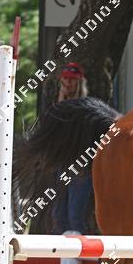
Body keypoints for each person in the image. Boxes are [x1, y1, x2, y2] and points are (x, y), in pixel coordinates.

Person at [53, 62, 94, 234]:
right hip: (62, 163)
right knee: (58, 215)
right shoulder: (58, 105)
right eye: (65, 79)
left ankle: (81, 249)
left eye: (72, 79)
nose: (68, 83)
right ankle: (60, 251)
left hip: (80, 166)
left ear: (79, 82)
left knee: (75, 217)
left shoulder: (86, 106)